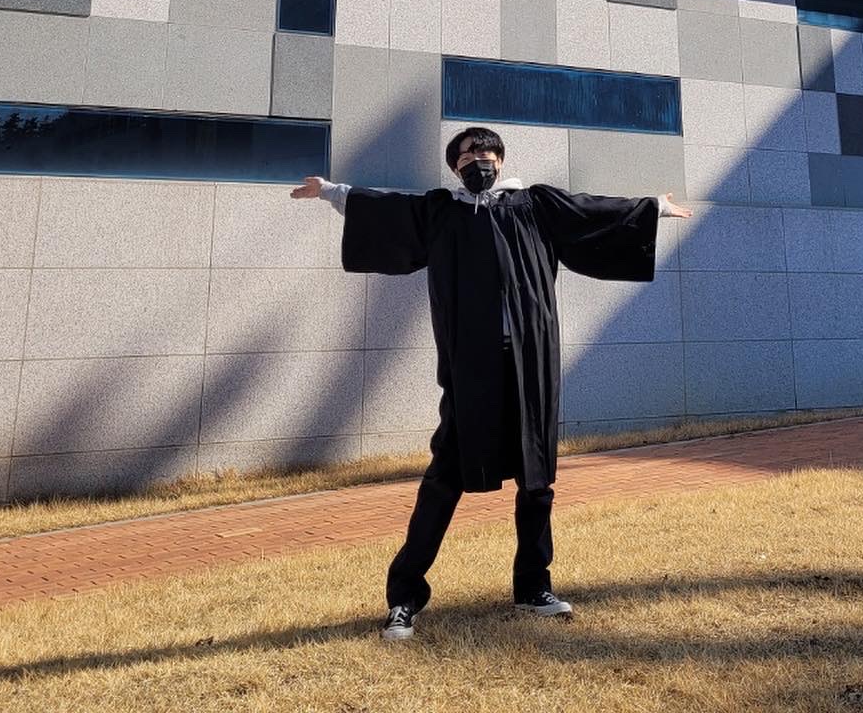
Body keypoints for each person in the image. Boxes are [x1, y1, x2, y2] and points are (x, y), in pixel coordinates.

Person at [290, 126, 692, 641]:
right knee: (444, 478)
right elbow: (389, 209)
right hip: (471, 366)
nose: (476, 159)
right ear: (454, 167)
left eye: (484, 150)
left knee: (537, 478)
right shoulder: (442, 212)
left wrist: (653, 207)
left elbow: (591, 212)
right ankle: (404, 598)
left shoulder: (534, 205)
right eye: (466, 154)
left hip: (529, 361)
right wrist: (330, 191)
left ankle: (533, 587)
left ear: (500, 159)